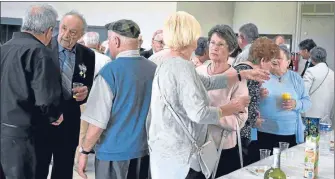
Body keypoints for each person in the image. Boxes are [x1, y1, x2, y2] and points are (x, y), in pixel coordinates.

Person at [147, 11, 270, 179]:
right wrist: (229, 108)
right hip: (180, 151)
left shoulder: (170, 62)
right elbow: (199, 113)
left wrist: (241, 76)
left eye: (220, 44)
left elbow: (208, 82)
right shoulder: (183, 67)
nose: (203, 43)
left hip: (182, 148)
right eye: (211, 42)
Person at [77, 19, 156, 179]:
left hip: (113, 155)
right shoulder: (154, 70)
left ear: (116, 41)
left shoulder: (110, 73)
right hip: (145, 153)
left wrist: (84, 151)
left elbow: (97, 123)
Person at [0, 4, 62, 179]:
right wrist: (55, 115)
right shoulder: (40, 52)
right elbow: (46, 100)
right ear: (49, 31)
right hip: (25, 138)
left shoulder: (4, 48)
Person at [34, 10, 95, 179]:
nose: (66, 35)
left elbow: (87, 84)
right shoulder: (42, 49)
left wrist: (86, 92)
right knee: (39, 165)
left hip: (70, 120)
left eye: (73, 32)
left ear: (81, 34)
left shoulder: (88, 54)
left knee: (64, 167)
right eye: (63, 28)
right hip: (43, 119)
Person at [196, 24, 249, 177]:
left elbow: (239, 120)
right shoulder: (197, 72)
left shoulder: (237, 78)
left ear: (230, 49)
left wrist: (208, 114)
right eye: (212, 43)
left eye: (220, 44)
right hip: (196, 146)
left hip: (222, 148)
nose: (215, 48)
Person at [234, 37, 280, 165]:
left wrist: (257, 94)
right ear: (263, 60)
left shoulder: (239, 68)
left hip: (229, 130)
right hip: (240, 131)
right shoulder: (253, 75)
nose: (271, 66)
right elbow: (247, 109)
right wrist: (255, 120)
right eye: (271, 62)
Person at [258, 44, 312, 153]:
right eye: (272, 57)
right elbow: (247, 100)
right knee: (263, 165)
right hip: (263, 130)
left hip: (289, 132)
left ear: (288, 62)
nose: (274, 60)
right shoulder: (260, 76)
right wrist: (257, 95)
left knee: (286, 165)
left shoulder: (295, 78)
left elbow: (307, 102)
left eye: (279, 58)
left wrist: (296, 104)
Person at [303, 47, 334, 128]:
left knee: (310, 140)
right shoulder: (332, 73)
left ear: (312, 58)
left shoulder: (310, 71)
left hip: (311, 116)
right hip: (327, 116)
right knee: (324, 139)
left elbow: (303, 92)